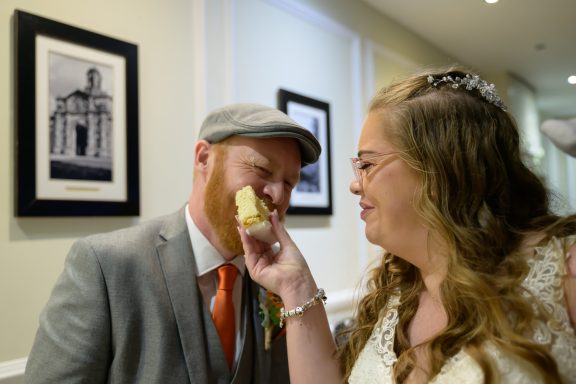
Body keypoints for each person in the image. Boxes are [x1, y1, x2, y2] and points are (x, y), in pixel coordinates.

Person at [239, 67, 576, 383]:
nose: (355, 184)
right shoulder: (399, 289)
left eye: (367, 164)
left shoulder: (564, 270)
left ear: (439, 165)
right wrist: (297, 286)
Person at [25, 103, 321, 383]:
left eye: (289, 183)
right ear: (204, 158)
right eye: (261, 170)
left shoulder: (276, 284)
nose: (278, 196)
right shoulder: (104, 265)